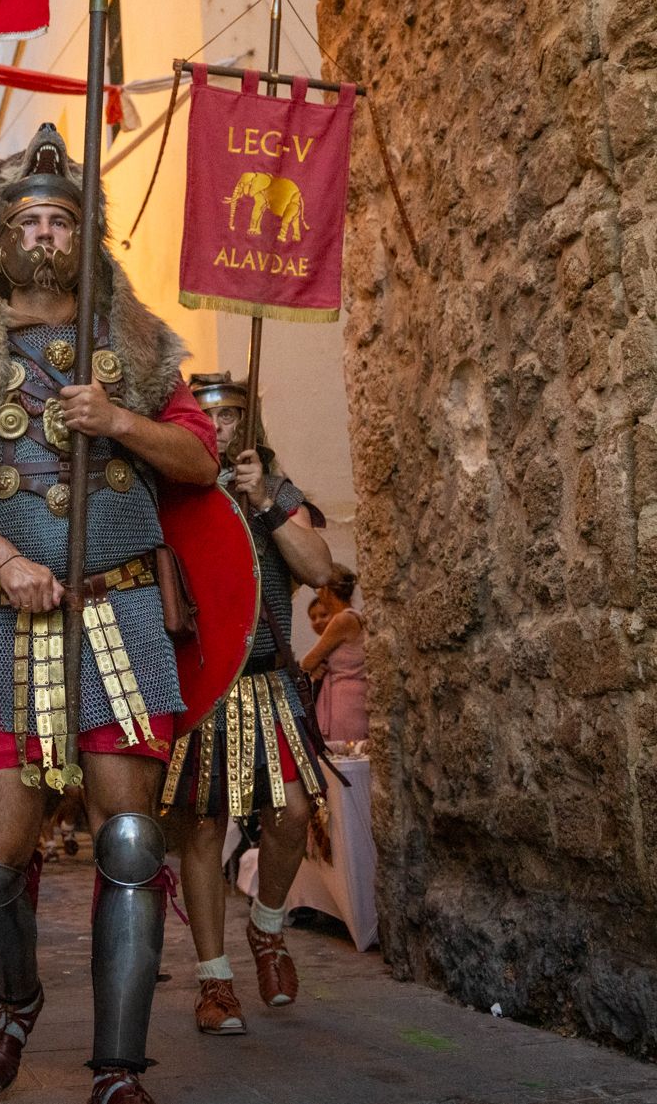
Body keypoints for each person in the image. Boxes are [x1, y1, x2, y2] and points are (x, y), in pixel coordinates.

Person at [0, 124, 220, 1104]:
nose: (43, 230)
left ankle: (118, 1064)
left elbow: (201, 461)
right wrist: (4, 556)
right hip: (9, 622)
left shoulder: (140, 346)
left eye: (62, 217)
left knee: (130, 841)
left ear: (84, 237)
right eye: (27, 216)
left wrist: (120, 421)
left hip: (118, 619)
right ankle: (15, 1001)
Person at [162, 374, 337, 1036]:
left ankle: (266, 931)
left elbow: (320, 570)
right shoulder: (176, 488)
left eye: (233, 417)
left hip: (267, 681)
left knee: (291, 812)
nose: (223, 430)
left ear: (248, 423)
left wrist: (262, 498)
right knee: (204, 826)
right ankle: (214, 978)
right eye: (213, 418)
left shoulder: (274, 488)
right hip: (205, 685)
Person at [302, 577, 367, 746]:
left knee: (345, 751)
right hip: (348, 695)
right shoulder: (354, 616)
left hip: (344, 699)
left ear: (327, 591)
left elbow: (307, 662)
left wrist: (314, 666)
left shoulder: (342, 619)